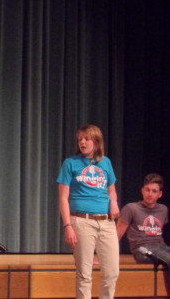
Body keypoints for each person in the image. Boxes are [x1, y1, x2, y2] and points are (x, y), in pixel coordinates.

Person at [57, 124, 120, 299]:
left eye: (86, 139)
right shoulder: (71, 163)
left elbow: (111, 190)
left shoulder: (106, 162)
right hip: (81, 221)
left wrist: (114, 202)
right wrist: (67, 225)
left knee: (112, 272)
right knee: (85, 275)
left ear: (96, 141)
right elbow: (63, 197)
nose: (82, 142)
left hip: (106, 223)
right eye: (80, 140)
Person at [117, 173, 170, 266]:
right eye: (147, 190)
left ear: (160, 194)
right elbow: (117, 234)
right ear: (142, 191)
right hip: (142, 250)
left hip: (162, 247)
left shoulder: (163, 209)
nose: (150, 194)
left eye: (154, 191)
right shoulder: (131, 208)